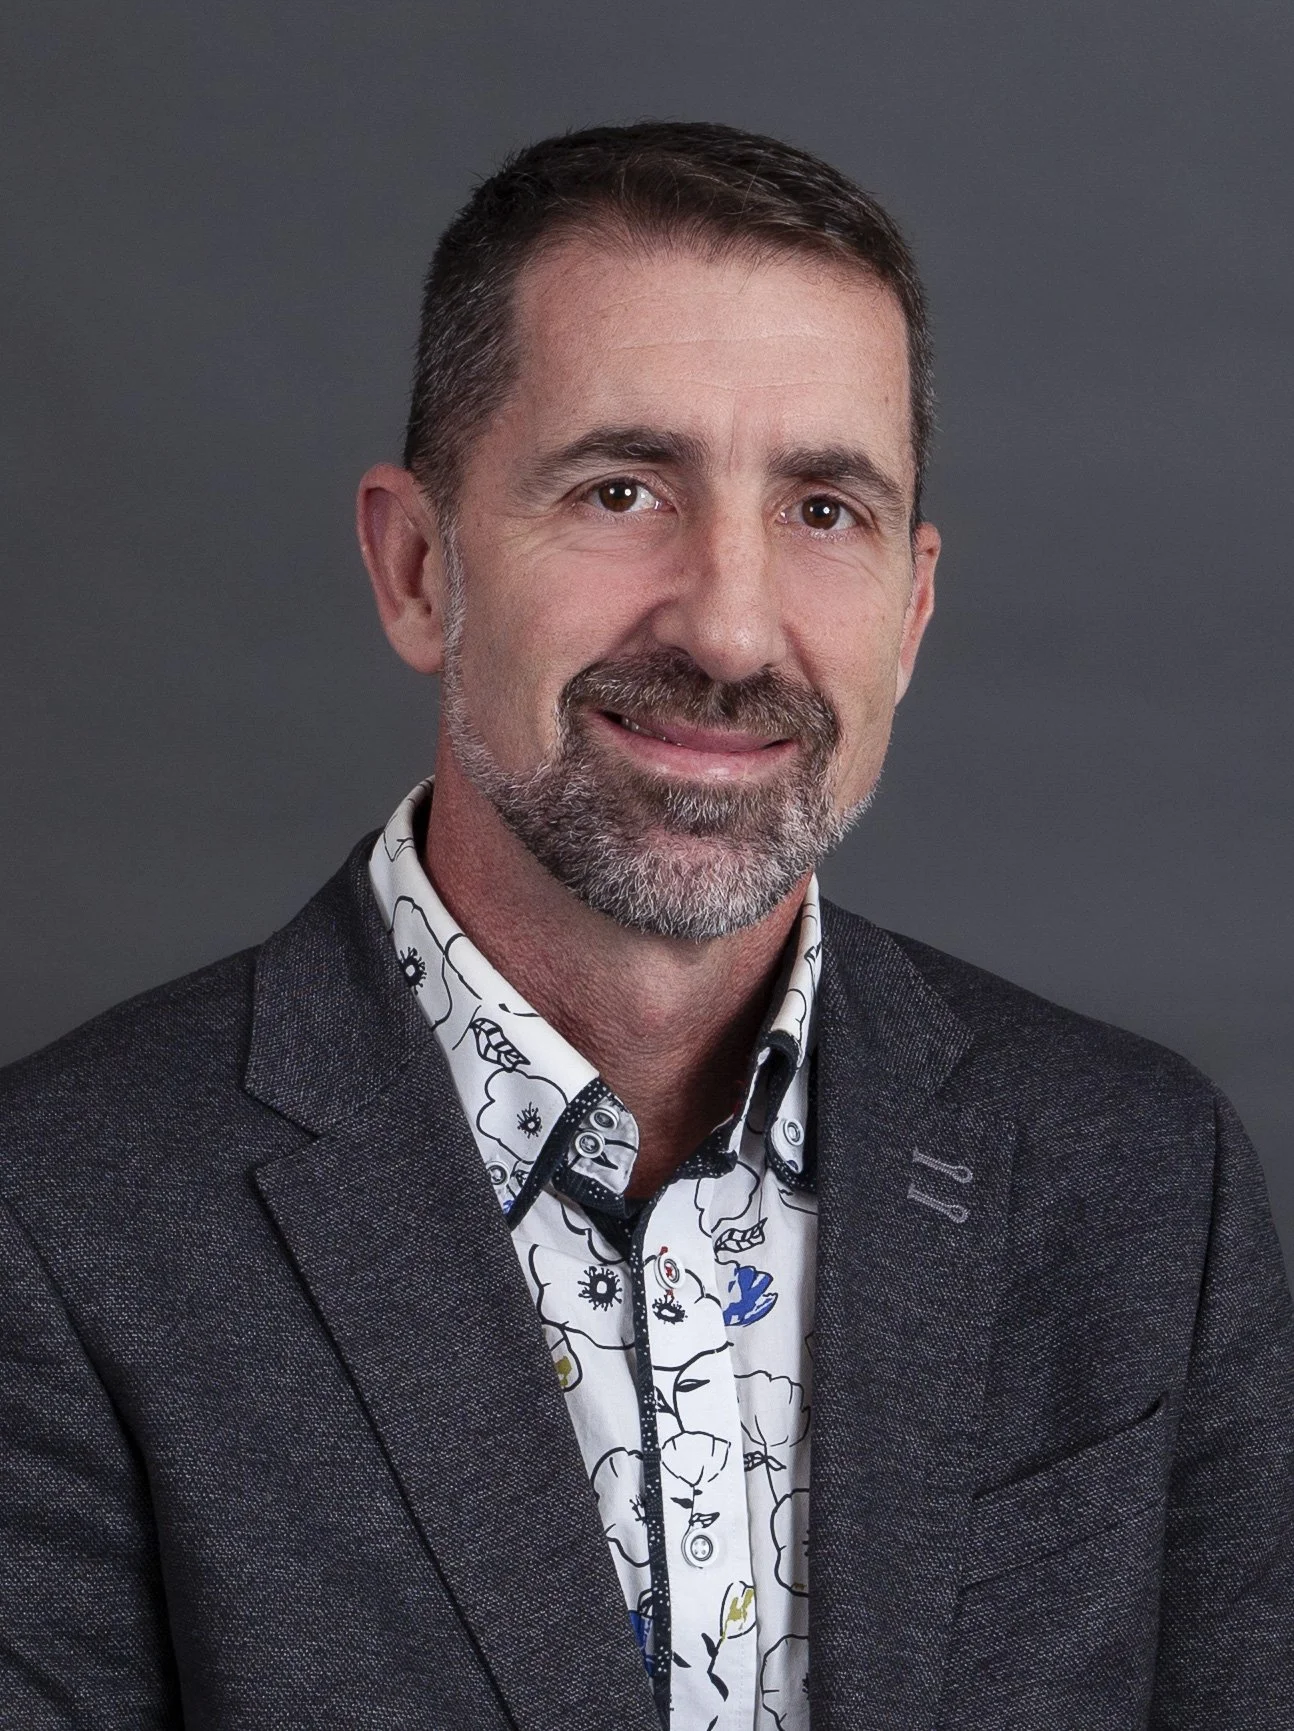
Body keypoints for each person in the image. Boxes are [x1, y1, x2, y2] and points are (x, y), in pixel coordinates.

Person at [1, 122, 1290, 1731]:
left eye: (825, 509)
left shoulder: (1143, 1182)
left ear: (910, 610)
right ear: (416, 569)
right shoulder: (56, 1224)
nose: (732, 625)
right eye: (622, 489)